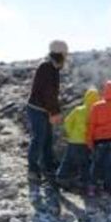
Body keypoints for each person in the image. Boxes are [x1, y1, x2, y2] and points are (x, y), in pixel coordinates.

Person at [26, 40, 68, 180]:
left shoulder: (52, 67)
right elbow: (48, 93)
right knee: (38, 139)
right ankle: (33, 170)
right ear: (59, 54)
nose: (66, 57)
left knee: (47, 139)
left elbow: (51, 94)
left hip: (43, 109)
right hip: (37, 108)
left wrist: (53, 110)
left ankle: (48, 166)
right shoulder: (47, 67)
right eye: (64, 54)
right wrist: (54, 112)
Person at [56, 86, 99, 191]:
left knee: (67, 160)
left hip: (73, 141)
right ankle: (84, 183)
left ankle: (61, 178)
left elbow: (67, 122)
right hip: (86, 142)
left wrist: (70, 133)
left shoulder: (78, 110)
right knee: (85, 163)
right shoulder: (96, 112)